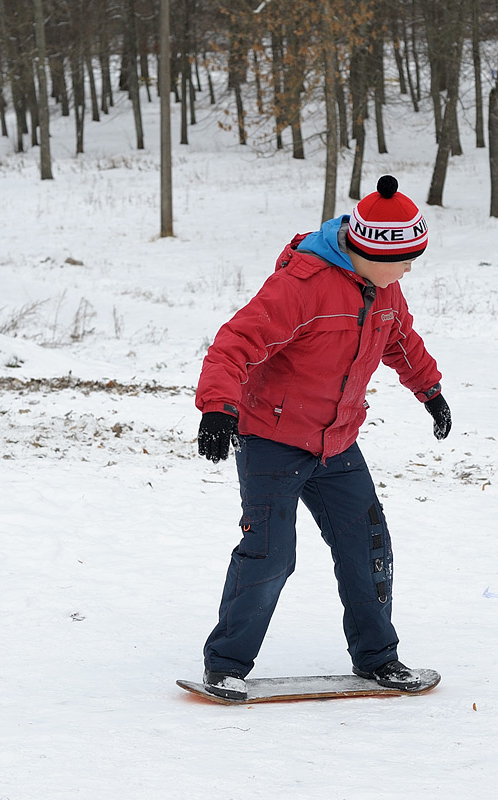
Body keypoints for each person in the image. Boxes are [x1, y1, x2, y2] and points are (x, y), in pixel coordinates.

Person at [193, 176, 452, 702]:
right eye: (405, 259)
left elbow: (400, 341)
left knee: (368, 545)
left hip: (337, 442)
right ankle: (225, 665)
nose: (408, 269)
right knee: (270, 554)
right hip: (272, 436)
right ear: (371, 251)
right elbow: (234, 343)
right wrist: (218, 408)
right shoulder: (302, 286)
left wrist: (430, 391)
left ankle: (378, 659)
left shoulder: (383, 288)